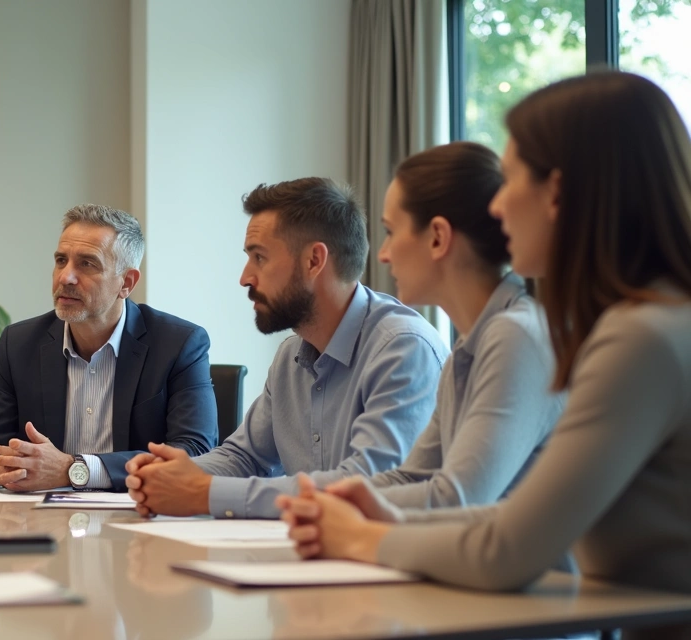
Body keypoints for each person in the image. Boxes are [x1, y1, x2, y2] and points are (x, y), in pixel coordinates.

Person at [280, 72, 691, 637]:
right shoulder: (642, 324)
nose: (497, 205)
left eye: (513, 175)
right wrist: (389, 519)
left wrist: (357, 536)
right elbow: (508, 519)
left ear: (560, 194)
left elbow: (508, 547)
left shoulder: (640, 337)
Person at [126, 178, 448, 518]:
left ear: (314, 261)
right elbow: (245, 457)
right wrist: (175, 475)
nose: (245, 277)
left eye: (259, 258)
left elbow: (367, 483)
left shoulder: (403, 349)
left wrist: (205, 493)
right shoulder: (290, 355)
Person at [0, 204, 218, 491]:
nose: (65, 277)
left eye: (87, 264)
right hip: (43, 523)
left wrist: (75, 469)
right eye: (61, 260)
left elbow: (195, 452)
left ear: (126, 283)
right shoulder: (19, 345)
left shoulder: (178, 344)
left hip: (135, 518)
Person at [364, 141, 564, 508]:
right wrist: (327, 501)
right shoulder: (469, 346)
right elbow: (415, 477)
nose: (383, 253)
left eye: (390, 231)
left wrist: (335, 508)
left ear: (438, 237)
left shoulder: (513, 336)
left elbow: (457, 497)